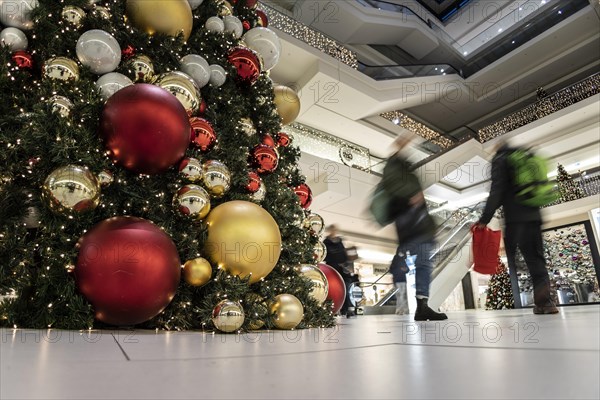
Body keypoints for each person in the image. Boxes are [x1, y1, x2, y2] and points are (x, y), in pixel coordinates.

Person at [474, 142, 558, 314]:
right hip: (534, 216)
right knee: (536, 259)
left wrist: (484, 219)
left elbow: (496, 190)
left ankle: (538, 296)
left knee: (513, 259)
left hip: (515, 218)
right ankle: (546, 302)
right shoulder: (524, 157)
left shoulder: (500, 160)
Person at [382, 134, 447, 321]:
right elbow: (391, 186)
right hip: (409, 224)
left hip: (420, 224)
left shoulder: (408, 172)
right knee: (410, 264)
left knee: (424, 263)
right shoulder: (393, 168)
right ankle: (414, 304)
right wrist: (409, 200)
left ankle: (422, 305)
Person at [323, 224, 355, 317]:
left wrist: (348, 263)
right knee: (333, 288)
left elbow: (344, 255)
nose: (334, 232)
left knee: (345, 288)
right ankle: (333, 309)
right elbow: (327, 255)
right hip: (332, 269)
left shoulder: (340, 242)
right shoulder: (326, 242)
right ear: (330, 231)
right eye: (333, 230)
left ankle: (347, 309)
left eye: (335, 230)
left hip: (342, 269)